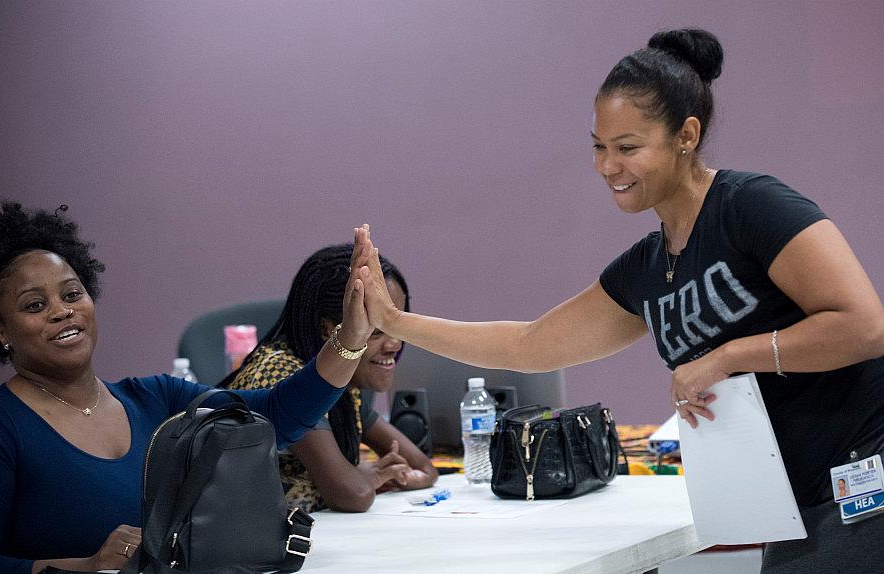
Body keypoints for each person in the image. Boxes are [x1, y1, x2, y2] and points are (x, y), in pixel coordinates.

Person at [352, 29, 884, 573]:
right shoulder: (647, 268)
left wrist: (726, 357)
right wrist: (394, 320)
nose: (608, 166)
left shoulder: (752, 207)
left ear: (687, 135)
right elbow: (529, 344)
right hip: (794, 502)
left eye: (628, 148)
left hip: (864, 481)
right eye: (599, 147)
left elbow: (864, 326)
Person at [0, 202, 376, 574]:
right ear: (1, 333)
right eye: (34, 305)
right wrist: (87, 565)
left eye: (72, 294)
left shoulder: (157, 398)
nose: (62, 311)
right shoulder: (3, 425)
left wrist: (353, 335)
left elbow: (275, 417)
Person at [221, 244, 437, 513]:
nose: (394, 344)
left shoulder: (345, 378)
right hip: (246, 547)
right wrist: (366, 477)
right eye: (376, 330)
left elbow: (421, 465)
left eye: (397, 325)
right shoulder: (283, 374)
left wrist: (389, 474)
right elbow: (352, 495)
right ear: (329, 329)